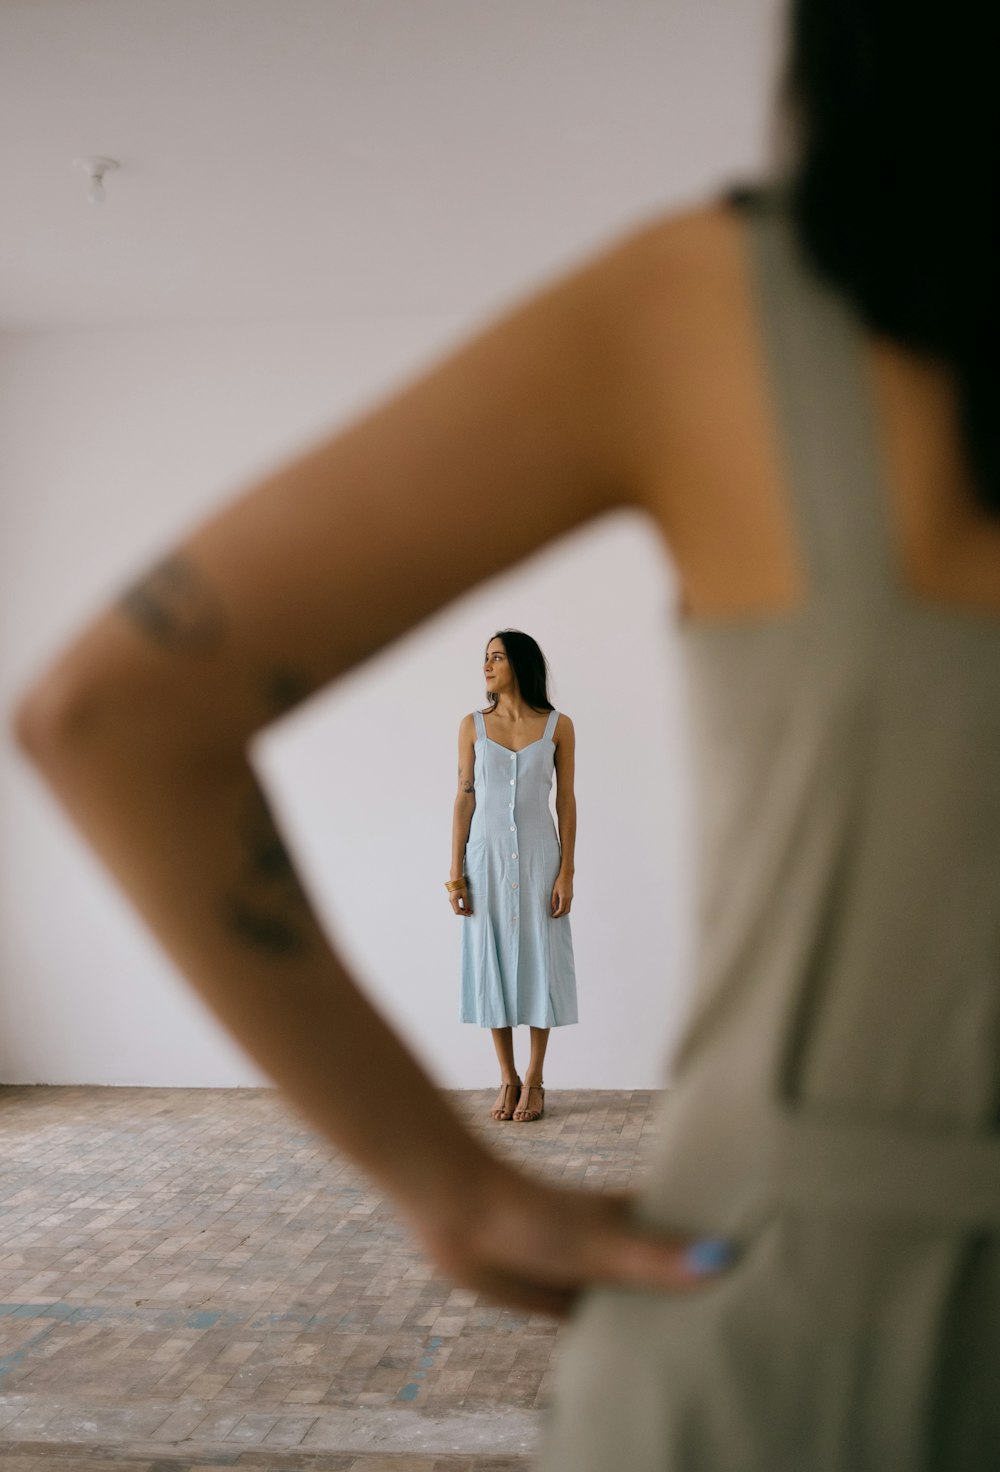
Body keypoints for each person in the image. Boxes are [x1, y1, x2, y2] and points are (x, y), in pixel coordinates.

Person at [13, 0, 1000, 1464]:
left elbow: (116, 716)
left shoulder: (711, 314)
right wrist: (451, 1184)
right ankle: (512, 1092)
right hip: (807, 1356)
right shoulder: (715, 311)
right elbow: (114, 714)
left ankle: (525, 1085)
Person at [449, 630, 577, 1123]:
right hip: (487, 857)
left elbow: (565, 800)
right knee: (492, 961)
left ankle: (537, 1078)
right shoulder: (472, 726)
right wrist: (455, 873)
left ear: (519, 664)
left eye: (496, 657)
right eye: (485, 658)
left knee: (541, 959)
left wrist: (567, 869)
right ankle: (507, 1076)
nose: (486, 666)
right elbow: (464, 797)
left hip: (541, 857)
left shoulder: (558, 726)